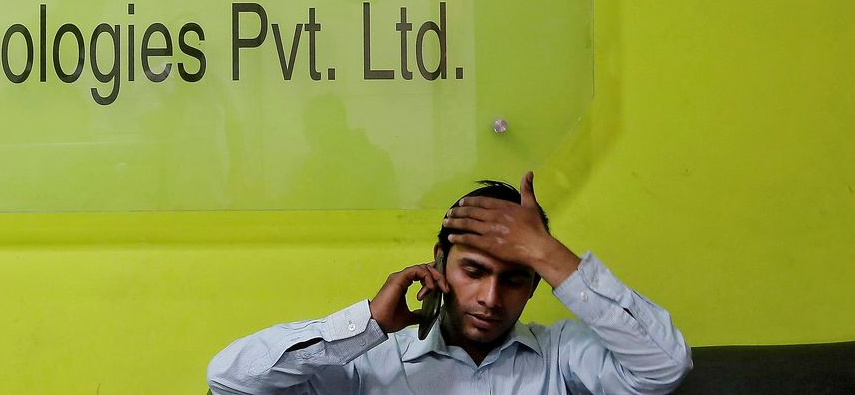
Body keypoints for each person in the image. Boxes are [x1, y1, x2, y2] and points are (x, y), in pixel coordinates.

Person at [207, 172, 692, 394]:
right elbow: (230, 381)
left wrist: (547, 252)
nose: (490, 298)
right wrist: (369, 323)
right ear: (439, 262)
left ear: (536, 284)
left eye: (516, 279)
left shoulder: (562, 359)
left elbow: (665, 366)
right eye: (474, 271)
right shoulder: (370, 363)